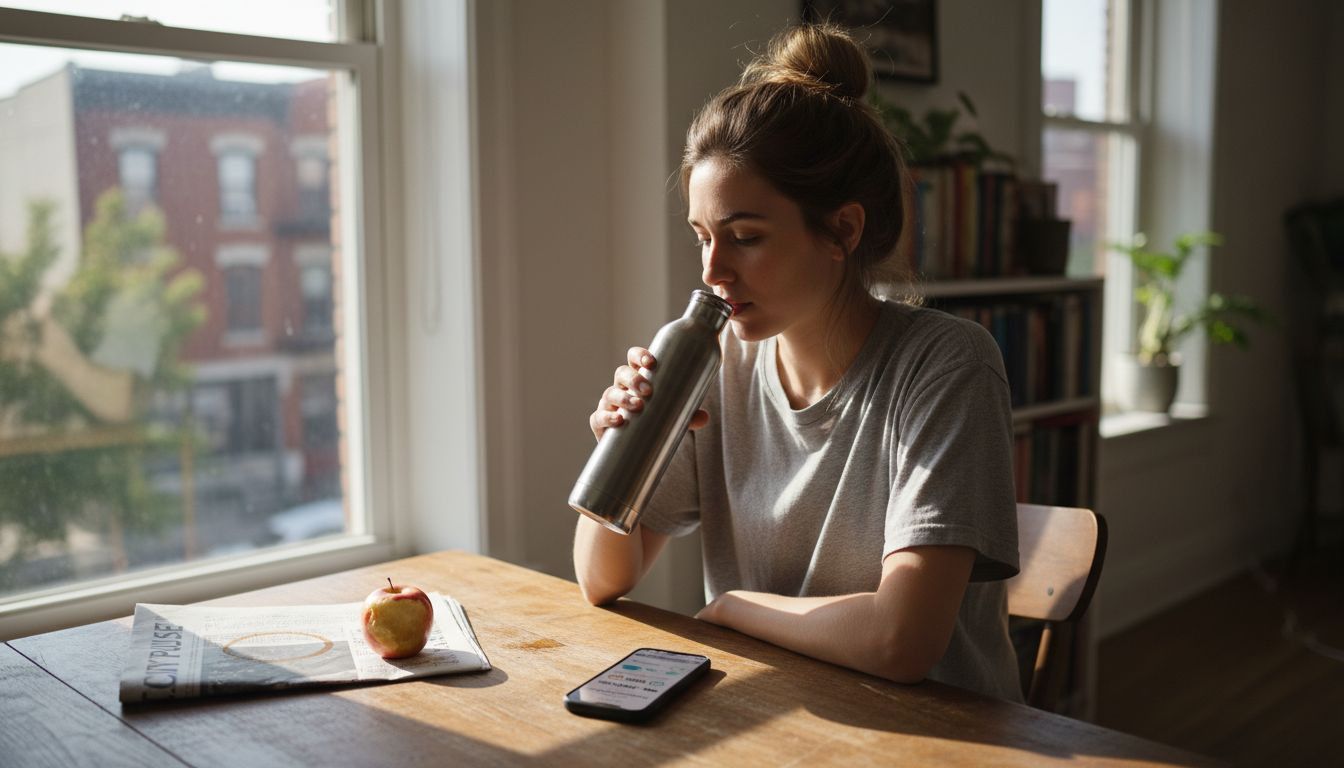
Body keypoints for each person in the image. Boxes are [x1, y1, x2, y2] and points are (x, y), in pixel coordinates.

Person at [572, 22, 1023, 702]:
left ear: (842, 230)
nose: (713, 270)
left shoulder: (946, 367)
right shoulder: (715, 363)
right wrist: (629, 447)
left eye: (745, 237)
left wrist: (732, 611)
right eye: (702, 237)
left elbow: (902, 641)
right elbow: (602, 579)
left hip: (936, 736)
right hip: (779, 715)